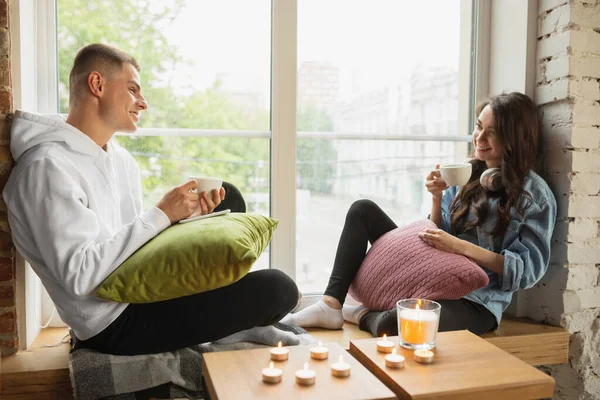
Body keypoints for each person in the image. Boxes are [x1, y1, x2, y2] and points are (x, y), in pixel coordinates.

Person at [3, 43, 300, 356]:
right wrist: (161, 213)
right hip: (112, 322)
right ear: (97, 85)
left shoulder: (120, 160)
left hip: (141, 288)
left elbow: (133, 244)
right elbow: (80, 276)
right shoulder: (46, 169)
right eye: (133, 89)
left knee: (229, 203)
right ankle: (230, 327)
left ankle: (227, 325)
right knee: (279, 288)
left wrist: (189, 219)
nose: (142, 103)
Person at [283, 92, 557, 337]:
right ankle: (331, 304)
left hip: (477, 302)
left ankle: (359, 313)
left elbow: (526, 272)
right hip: (434, 272)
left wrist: (461, 247)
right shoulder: (466, 174)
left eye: (492, 133)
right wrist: (437, 198)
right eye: (478, 127)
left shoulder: (534, 197)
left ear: (514, 140)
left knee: (398, 323)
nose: (479, 138)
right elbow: (439, 234)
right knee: (362, 210)